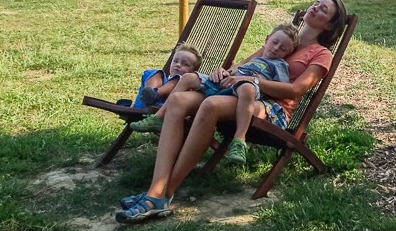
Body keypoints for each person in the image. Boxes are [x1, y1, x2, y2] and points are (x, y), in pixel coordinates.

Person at [115, 0, 348, 223]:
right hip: (239, 94)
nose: (316, 7)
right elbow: (241, 66)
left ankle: (161, 195)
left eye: (324, 9)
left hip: (270, 108)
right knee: (177, 101)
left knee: (210, 104)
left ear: (328, 25)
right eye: (317, 2)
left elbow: (296, 89)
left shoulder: (321, 54)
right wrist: (225, 72)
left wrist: (255, 82)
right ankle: (156, 190)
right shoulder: (283, 40)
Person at [127, 23, 299, 166]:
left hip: (243, 89)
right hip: (224, 82)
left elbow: (282, 86)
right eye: (274, 42)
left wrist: (256, 79)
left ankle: (239, 140)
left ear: (287, 53)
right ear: (267, 40)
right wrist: (221, 72)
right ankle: (159, 117)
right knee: (187, 77)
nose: (276, 49)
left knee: (247, 88)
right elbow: (233, 69)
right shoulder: (254, 59)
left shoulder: (279, 65)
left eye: (283, 49)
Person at [120, 43, 202, 109]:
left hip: (161, 109)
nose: (178, 65)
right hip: (142, 106)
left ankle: (155, 94)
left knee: (180, 80)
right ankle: (149, 94)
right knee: (155, 72)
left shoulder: (190, 87)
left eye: (185, 64)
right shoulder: (162, 79)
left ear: (193, 72)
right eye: (175, 61)